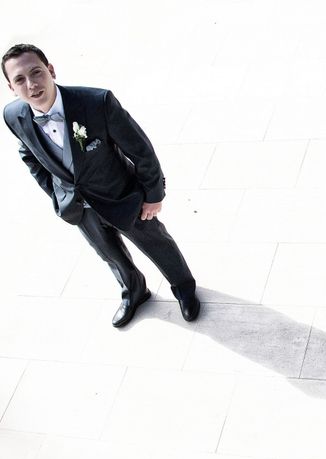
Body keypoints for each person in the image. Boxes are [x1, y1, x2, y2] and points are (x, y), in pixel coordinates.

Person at [2, 44, 200, 328]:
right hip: (79, 209)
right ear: (11, 86)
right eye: (20, 79)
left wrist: (154, 195)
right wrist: (58, 195)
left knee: (157, 244)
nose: (31, 85)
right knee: (110, 254)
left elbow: (141, 150)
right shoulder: (13, 115)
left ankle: (184, 288)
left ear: (51, 70)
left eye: (36, 73)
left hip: (123, 197)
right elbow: (29, 154)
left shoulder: (97, 102)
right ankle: (134, 291)